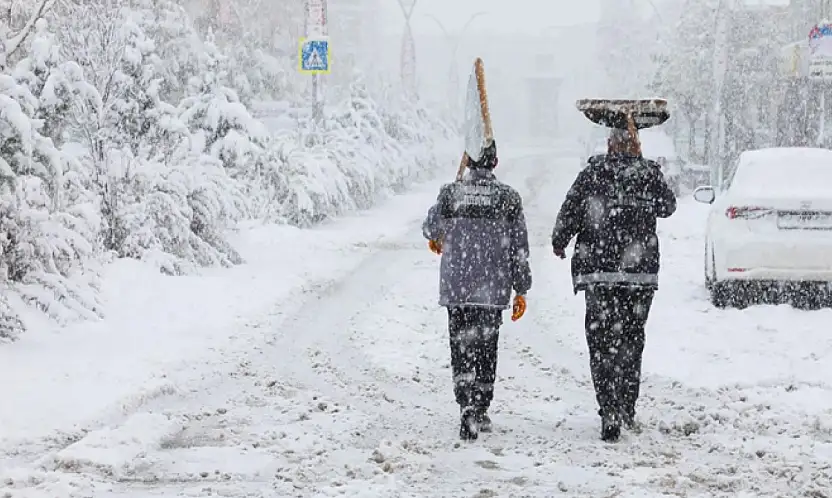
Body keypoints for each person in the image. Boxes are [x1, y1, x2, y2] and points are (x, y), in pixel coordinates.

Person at [550, 122, 677, 442]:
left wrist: (559, 240)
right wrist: (645, 166)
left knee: (602, 341)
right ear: (635, 144)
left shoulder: (592, 174)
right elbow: (668, 207)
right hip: (639, 276)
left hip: (599, 273)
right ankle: (626, 405)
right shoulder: (648, 174)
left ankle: (608, 407)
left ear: (609, 144)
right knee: (632, 340)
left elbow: (571, 210)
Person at [422, 140, 532, 441]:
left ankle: (465, 403)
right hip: (492, 288)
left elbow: (431, 229)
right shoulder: (508, 198)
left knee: (460, 346)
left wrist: (452, 192)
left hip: (457, 287)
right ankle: (481, 404)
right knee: (486, 347)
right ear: (495, 163)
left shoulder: (451, 193)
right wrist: (521, 288)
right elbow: (519, 248)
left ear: (468, 162)